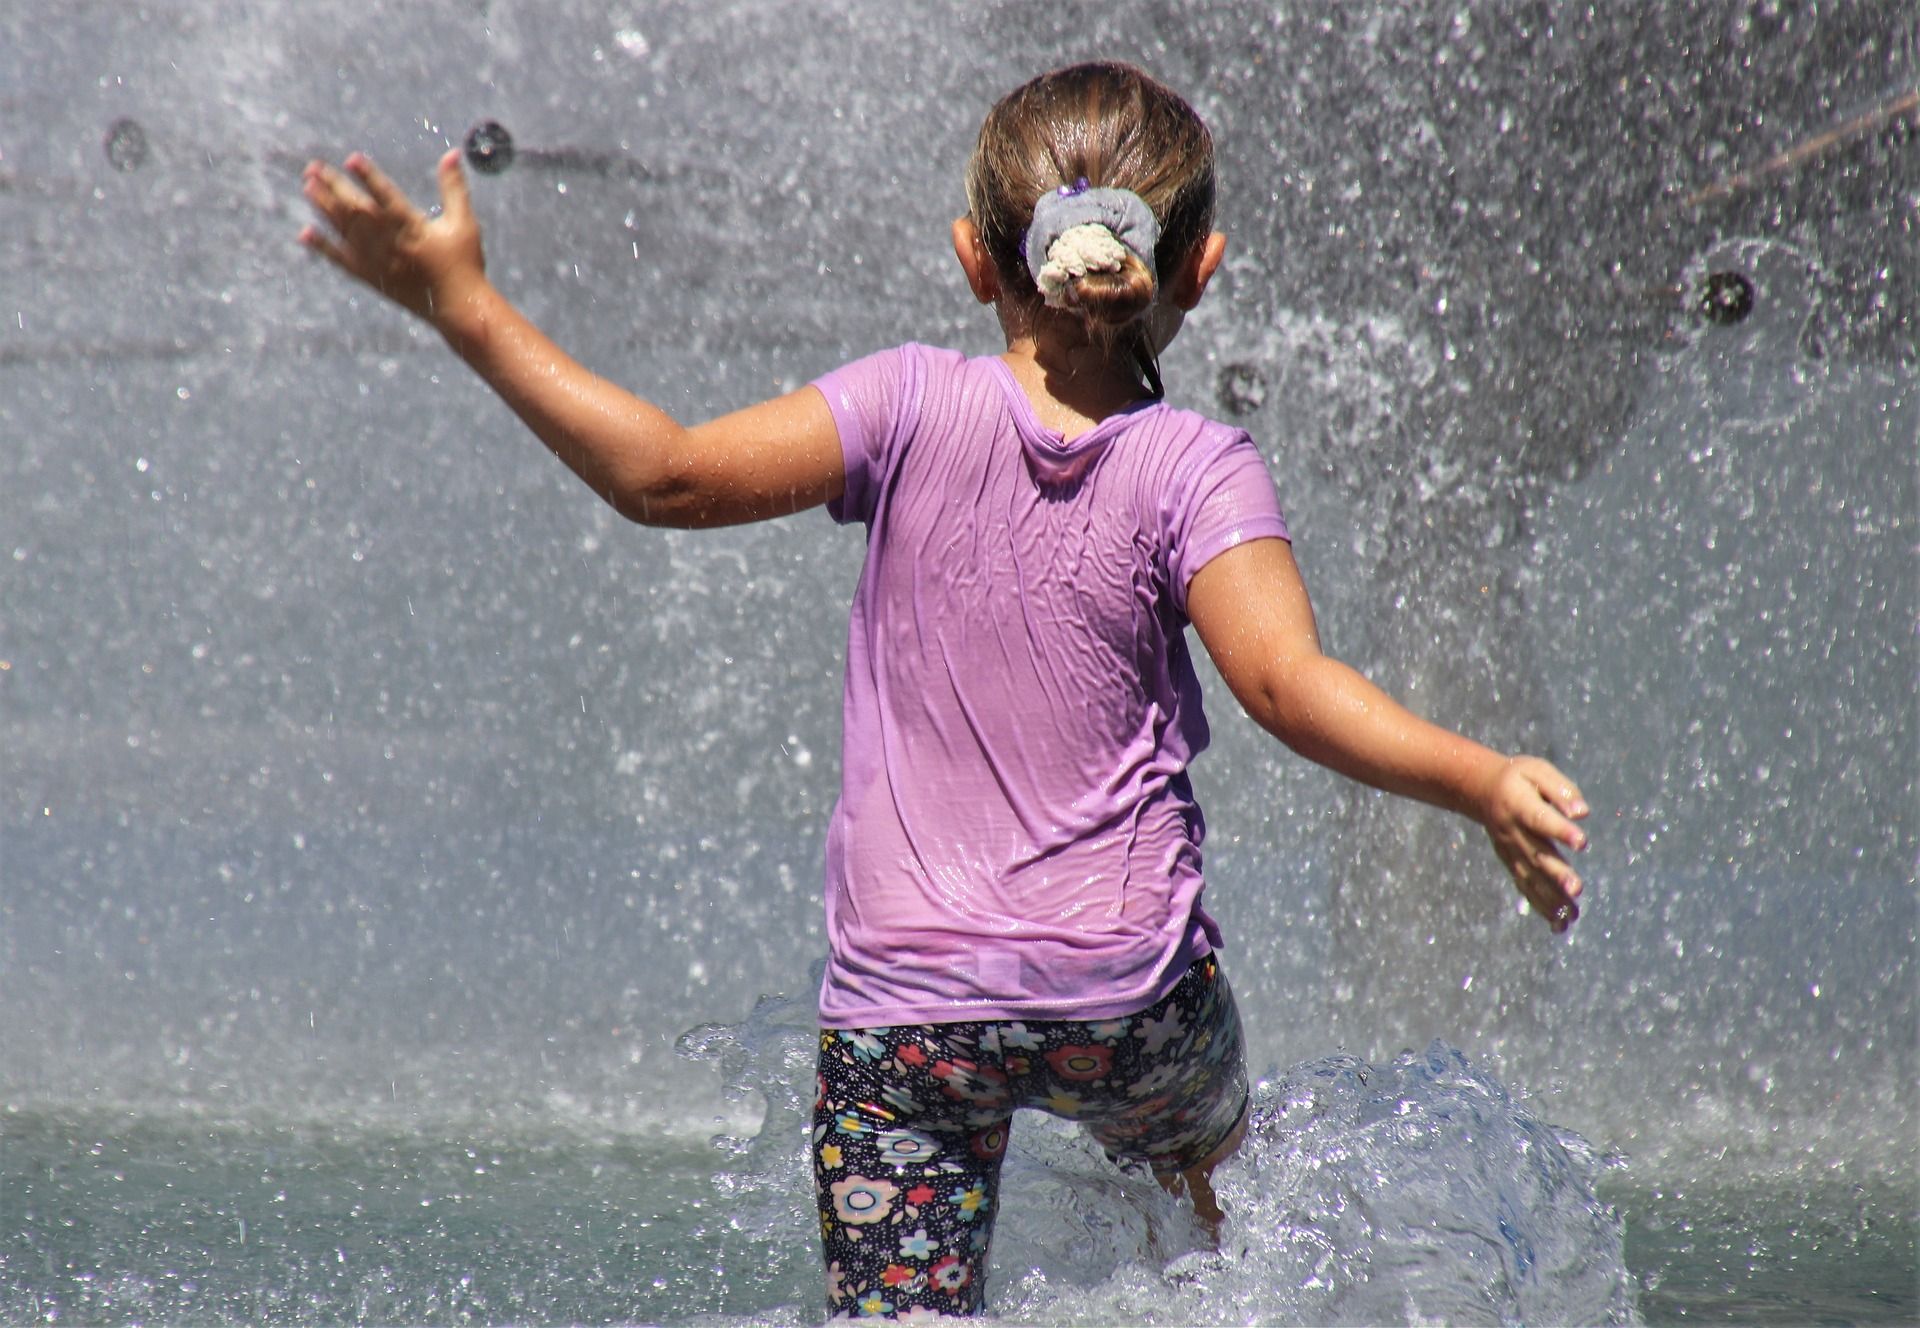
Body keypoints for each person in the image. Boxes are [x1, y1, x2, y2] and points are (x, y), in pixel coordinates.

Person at [300, 61, 1588, 1322]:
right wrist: (1479, 780)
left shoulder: (903, 402)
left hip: (908, 1020)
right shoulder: (1199, 465)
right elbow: (1288, 687)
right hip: (1128, 1006)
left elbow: (666, 477)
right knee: (1224, 1207)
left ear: (979, 260)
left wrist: (463, 304)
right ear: (1201, 268)